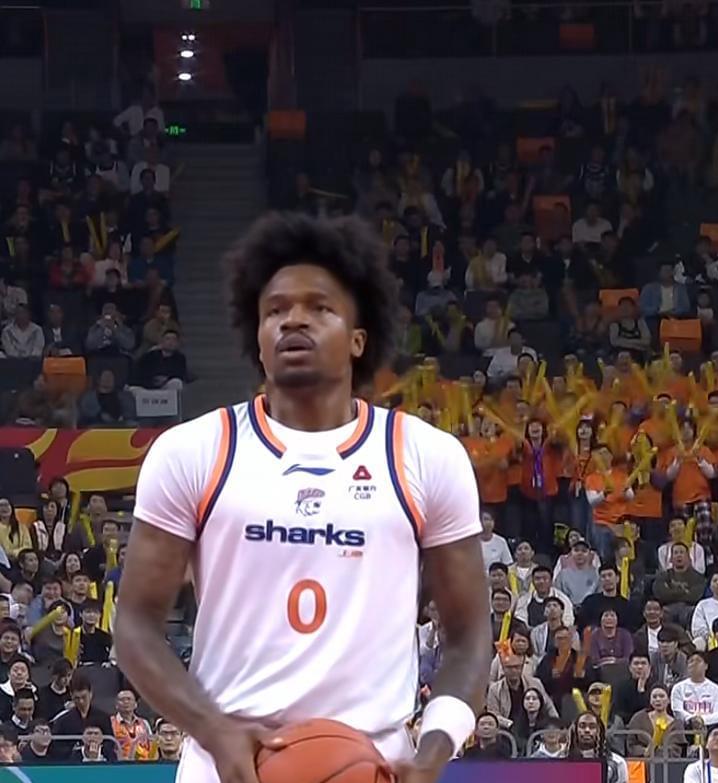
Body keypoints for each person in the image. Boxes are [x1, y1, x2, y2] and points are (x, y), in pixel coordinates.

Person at [114, 214, 492, 783]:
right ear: (257, 338)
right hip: (228, 761)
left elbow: (468, 636)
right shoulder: (191, 451)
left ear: (359, 340)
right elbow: (135, 626)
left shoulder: (427, 456)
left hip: (371, 762)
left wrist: (432, 752)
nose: (293, 319)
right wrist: (212, 729)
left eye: (320, 308)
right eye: (275, 310)